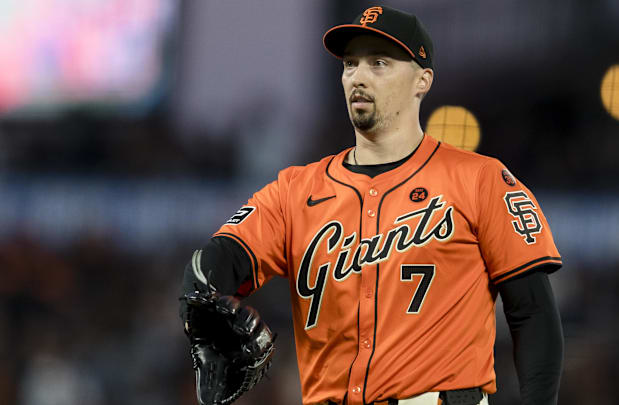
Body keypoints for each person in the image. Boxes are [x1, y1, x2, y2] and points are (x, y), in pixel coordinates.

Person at [180, 5, 564, 405]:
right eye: (351, 64)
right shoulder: (294, 190)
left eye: (378, 63)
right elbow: (210, 268)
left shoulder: (479, 180)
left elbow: (533, 312)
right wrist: (199, 309)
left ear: (422, 80)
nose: (358, 77)